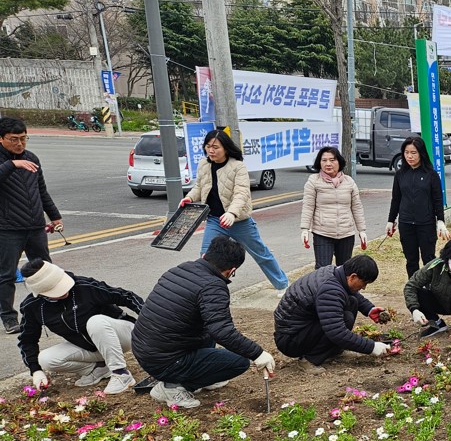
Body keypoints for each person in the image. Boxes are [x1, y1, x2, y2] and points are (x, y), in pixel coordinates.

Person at [132, 236, 276, 409]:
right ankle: (172, 388)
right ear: (231, 270)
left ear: (206, 255)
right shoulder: (213, 287)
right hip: (165, 361)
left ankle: (204, 376)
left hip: (145, 347)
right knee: (239, 362)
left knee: (209, 328)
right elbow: (222, 331)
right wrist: (258, 354)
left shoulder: (181, 269)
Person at [181, 128, 288, 293]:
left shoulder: (238, 167)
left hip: (239, 221)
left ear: (225, 148)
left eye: (216, 147)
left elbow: (242, 193)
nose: (211, 150)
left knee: (261, 254)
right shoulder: (204, 164)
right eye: (208, 146)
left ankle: (282, 285)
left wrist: (232, 213)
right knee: (206, 257)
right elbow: (199, 187)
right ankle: (209, 292)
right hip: (215, 220)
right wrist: (189, 198)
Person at [17, 259, 144, 395]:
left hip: (121, 335)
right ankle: (98, 368)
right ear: (41, 293)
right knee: (45, 359)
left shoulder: (83, 286)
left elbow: (127, 296)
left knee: (96, 322)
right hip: (89, 347)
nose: (64, 291)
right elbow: (27, 340)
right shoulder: (32, 306)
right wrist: (36, 371)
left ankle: (121, 373)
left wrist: (151, 324)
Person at [274, 254, 392, 368]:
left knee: (351, 302)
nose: (364, 287)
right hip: (290, 340)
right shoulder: (330, 290)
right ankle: (309, 360)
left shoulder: (334, 272)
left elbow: (352, 293)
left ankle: (333, 351)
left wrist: (369, 309)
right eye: (364, 283)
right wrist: (372, 347)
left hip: (299, 329)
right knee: (344, 320)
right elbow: (337, 332)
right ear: (353, 277)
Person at [0, 116, 62, 334]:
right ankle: (9, 318)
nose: (20, 144)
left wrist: (54, 216)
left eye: (24, 139)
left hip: (35, 226)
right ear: (1, 139)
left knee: (45, 268)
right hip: (7, 229)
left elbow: (41, 191)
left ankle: (51, 308)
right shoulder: (7, 162)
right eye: (14, 139)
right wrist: (11, 164)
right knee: (6, 274)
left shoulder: (32, 158)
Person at [387, 136, 449, 278]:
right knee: (411, 260)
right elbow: (396, 199)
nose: (410, 156)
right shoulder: (400, 174)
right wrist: (391, 220)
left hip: (425, 223)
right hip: (406, 223)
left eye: (413, 152)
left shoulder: (431, 175)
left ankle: (431, 289)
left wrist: (440, 221)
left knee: (428, 259)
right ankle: (414, 290)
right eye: (406, 152)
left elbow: (437, 199)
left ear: (421, 153)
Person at [301, 146, 367, 268]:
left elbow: (357, 207)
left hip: (346, 233)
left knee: (344, 270)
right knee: (322, 270)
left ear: (339, 162)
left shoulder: (349, 181)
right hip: (323, 232)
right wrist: (305, 229)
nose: (328, 164)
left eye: (332, 160)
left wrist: (362, 230)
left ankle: (341, 288)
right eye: (324, 160)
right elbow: (308, 206)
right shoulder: (313, 181)